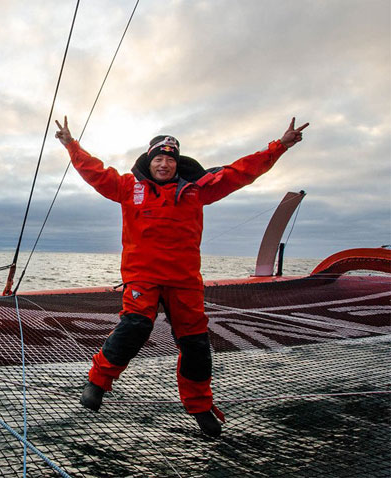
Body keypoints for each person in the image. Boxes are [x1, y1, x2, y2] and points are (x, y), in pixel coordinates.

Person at [54, 116, 308, 437]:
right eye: (158, 158)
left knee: (196, 345)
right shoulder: (127, 187)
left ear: (178, 163)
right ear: (149, 161)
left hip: (184, 280)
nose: (164, 164)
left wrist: (280, 146)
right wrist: (70, 144)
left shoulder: (196, 190)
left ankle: (200, 407)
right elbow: (94, 171)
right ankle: (98, 382)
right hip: (142, 277)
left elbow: (240, 172)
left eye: (170, 159)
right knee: (135, 326)